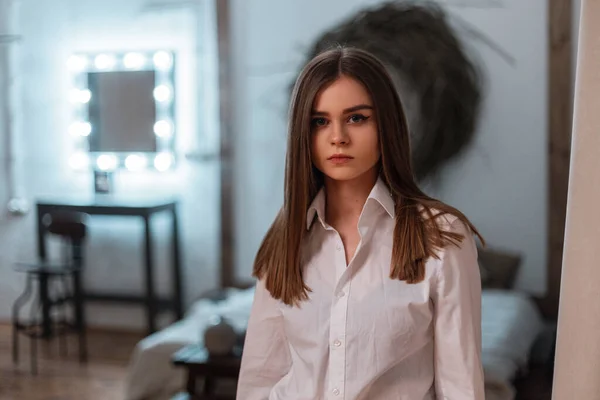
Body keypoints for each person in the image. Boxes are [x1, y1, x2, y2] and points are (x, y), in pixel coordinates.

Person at [236, 47, 485, 400]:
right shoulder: (286, 238)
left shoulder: (441, 238)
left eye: (356, 118)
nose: (338, 136)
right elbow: (260, 378)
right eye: (319, 121)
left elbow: (461, 387)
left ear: (387, 124)